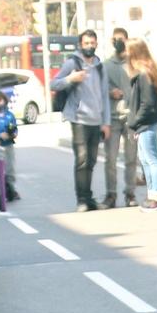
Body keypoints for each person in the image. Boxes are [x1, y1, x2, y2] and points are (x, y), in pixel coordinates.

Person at [53, 29, 110, 211]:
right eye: (86, 43)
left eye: (92, 43)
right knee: (82, 159)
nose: (89, 47)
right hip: (78, 119)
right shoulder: (72, 62)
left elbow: (104, 96)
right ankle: (82, 200)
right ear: (80, 45)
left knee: (92, 161)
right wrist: (70, 78)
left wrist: (106, 122)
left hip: (96, 119)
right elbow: (54, 83)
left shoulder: (100, 66)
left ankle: (89, 197)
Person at [125, 38, 157, 209]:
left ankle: (156, 196)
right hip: (147, 121)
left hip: (148, 121)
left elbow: (147, 103)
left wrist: (135, 122)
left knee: (151, 159)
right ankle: (152, 194)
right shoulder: (144, 71)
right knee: (145, 158)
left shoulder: (144, 73)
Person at [101, 28, 139, 207]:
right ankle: (111, 194)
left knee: (131, 158)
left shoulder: (134, 64)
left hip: (131, 117)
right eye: (115, 39)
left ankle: (130, 193)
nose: (118, 42)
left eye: (121, 39)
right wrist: (110, 91)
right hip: (113, 118)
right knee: (110, 159)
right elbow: (100, 89)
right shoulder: (106, 65)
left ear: (127, 40)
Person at [0, 90, 20, 202]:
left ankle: (11, 189)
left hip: (9, 145)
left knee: (10, 168)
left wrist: (12, 134)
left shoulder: (10, 115)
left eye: (0, 100)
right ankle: (2, 189)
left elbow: (14, 128)